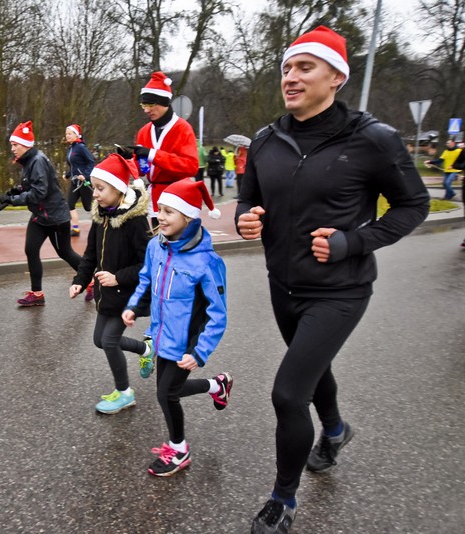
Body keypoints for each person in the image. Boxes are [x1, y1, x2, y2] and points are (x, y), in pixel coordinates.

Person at [234, 26, 430, 533]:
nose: (291, 77)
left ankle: (283, 499)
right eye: (287, 68)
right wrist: (246, 219)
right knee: (313, 369)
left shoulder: (374, 139)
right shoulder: (265, 139)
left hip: (341, 290)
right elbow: (247, 198)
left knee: (287, 393)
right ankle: (337, 431)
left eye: (305, 68)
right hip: (284, 284)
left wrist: (353, 241)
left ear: (336, 77)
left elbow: (415, 204)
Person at [122, 178, 232, 477]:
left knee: (166, 394)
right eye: (160, 210)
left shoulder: (207, 261)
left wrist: (199, 351)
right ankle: (216, 385)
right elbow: (145, 278)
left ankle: (179, 449)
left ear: (189, 216)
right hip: (161, 335)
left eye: (170, 212)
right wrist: (132, 306)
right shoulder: (156, 246)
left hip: (186, 343)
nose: (161, 216)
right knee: (170, 389)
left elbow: (217, 314)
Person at [69, 154, 153, 414]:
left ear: (118, 188)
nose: (94, 194)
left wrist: (119, 277)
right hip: (108, 295)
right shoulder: (101, 217)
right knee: (99, 340)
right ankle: (144, 349)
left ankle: (125, 393)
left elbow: (148, 264)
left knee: (108, 340)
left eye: (100, 188)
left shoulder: (136, 221)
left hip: (129, 294)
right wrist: (79, 281)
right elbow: (91, 255)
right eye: (94, 187)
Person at [1, 121, 82, 307]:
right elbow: (31, 184)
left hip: (54, 217)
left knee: (65, 253)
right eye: (12, 145)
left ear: (26, 145)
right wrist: (16, 191)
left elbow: (39, 192)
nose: (12, 148)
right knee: (31, 250)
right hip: (40, 216)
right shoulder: (30, 160)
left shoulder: (37, 160)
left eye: (15, 145)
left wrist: (15, 200)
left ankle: (91, 277)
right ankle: (37, 294)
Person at [119, 71, 199, 229]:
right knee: (158, 247)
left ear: (164, 103)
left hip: (178, 199)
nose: (146, 110)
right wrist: (129, 160)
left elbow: (191, 166)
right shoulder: (144, 131)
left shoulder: (183, 128)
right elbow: (143, 170)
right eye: (144, 105)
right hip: (155, 200)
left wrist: (152, 154)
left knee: (178, 248)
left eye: (150, 105)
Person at [63, 124, 96, 237]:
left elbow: (91, 162)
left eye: (69, 134)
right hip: (74, 182)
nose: (67, 136)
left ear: (76, 135)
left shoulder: (81, 148)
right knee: (70, 204)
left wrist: (85, 176)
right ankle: (75, 229)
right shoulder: (71, 148)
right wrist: (67, 175)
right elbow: (74, 165)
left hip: (83, 182)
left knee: (88, 207)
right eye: (66, 134)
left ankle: (100, 225)